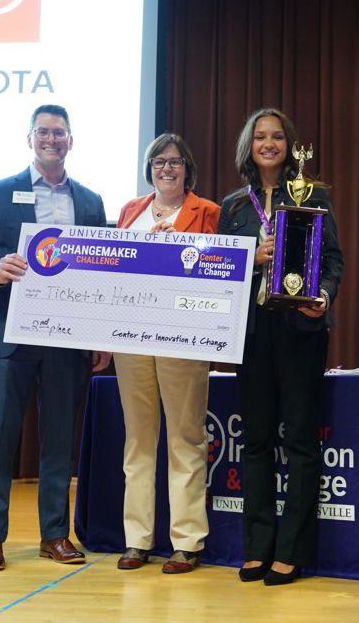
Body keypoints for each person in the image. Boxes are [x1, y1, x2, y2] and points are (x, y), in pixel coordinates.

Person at [0, 104, 110, 571]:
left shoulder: (89, 201)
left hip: (66, 335)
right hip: (8, 334)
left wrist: (99, 333)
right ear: (30, 139)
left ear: (70, 140)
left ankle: (55, 535)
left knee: (59, 440)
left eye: (59, 133)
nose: (52, 139)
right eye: (43, 132)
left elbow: (101, 270)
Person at [218, 108, 343, 586]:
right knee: (255, 441)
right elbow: (219, 269)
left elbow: (333, 258)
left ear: (290, 144)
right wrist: (252, 256)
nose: (268, 143)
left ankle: (291, 551)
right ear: (248, 146)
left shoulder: (314, 195)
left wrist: (324, 296)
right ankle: (257, 546)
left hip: (301, 330)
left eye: (276, 136)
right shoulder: (233, 207)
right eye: (259, 137)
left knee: (300, 440)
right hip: (250, 332)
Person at [112, 133, 220, 574]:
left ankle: (187, 542)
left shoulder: (207, 211)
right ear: (149, 167)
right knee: (138, 441)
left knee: (186, 438)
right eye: (159, 161)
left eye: (175, 161)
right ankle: (136, 540)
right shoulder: (129, 211)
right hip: (131, 339)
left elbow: (217, 271)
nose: (167, 168)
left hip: (184, 338)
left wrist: (177, 247)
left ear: (187, 168)